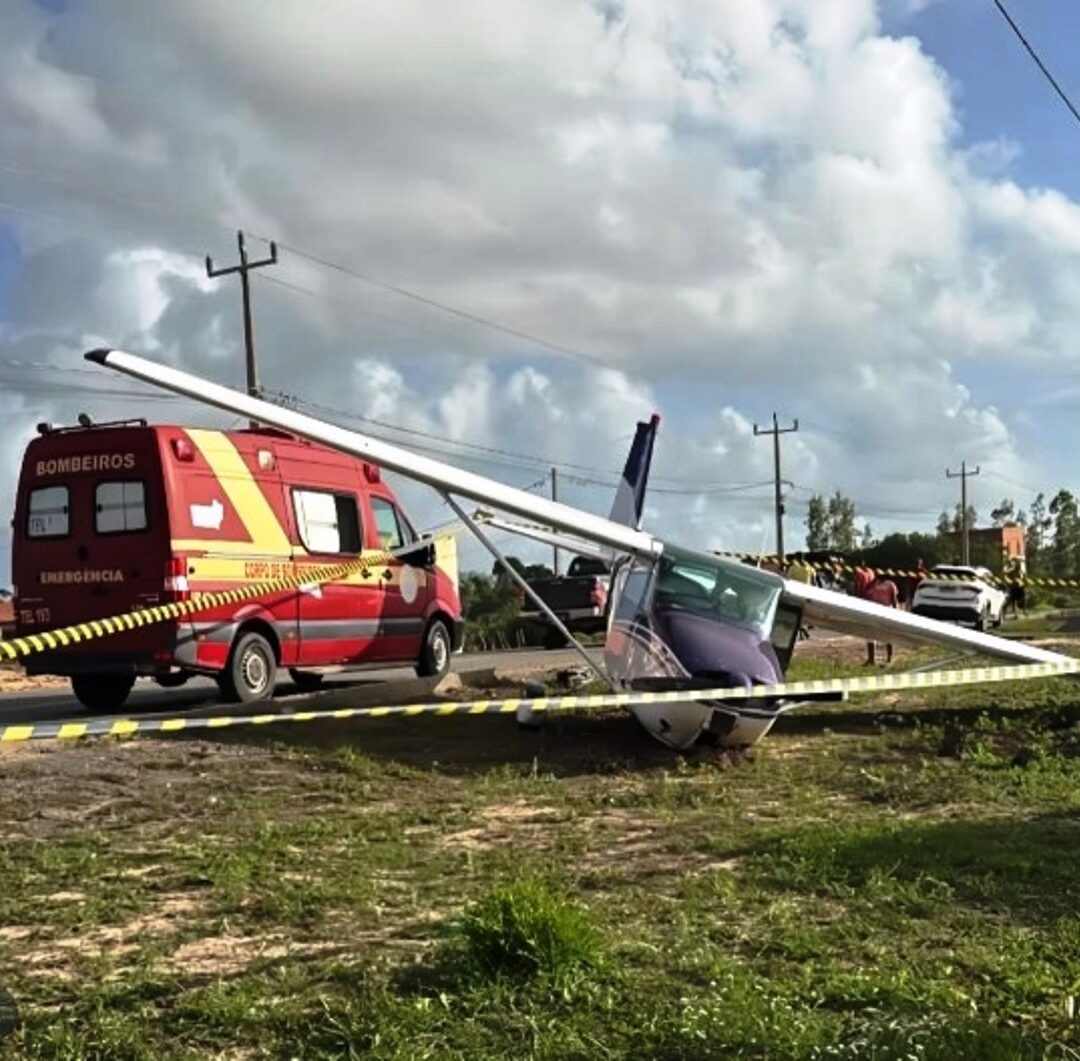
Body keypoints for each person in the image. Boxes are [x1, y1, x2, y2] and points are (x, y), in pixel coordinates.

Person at [862, 573, 900, 665]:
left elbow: (894, 600)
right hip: (874, 612)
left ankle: (889, 658)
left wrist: (896, 614)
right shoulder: (873, 584)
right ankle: (871, 659)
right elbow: (868, 597)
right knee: (871, 635)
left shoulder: (890, 584)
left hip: (886, 612)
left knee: (888, 636)